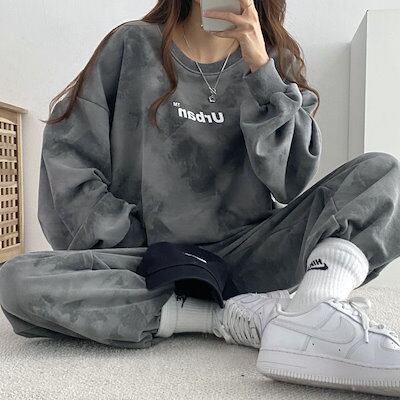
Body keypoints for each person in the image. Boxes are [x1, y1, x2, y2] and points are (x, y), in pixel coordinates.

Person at [0, 0, 399, 396]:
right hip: (147, 261)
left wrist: (261, 70)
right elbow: (68, 156)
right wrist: (125, 239)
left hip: (249, 254)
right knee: (17, 281)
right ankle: (227, 317)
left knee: (382, 173)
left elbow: (290, 181)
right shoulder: (132, 46)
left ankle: (314, 310)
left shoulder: (275, 60)